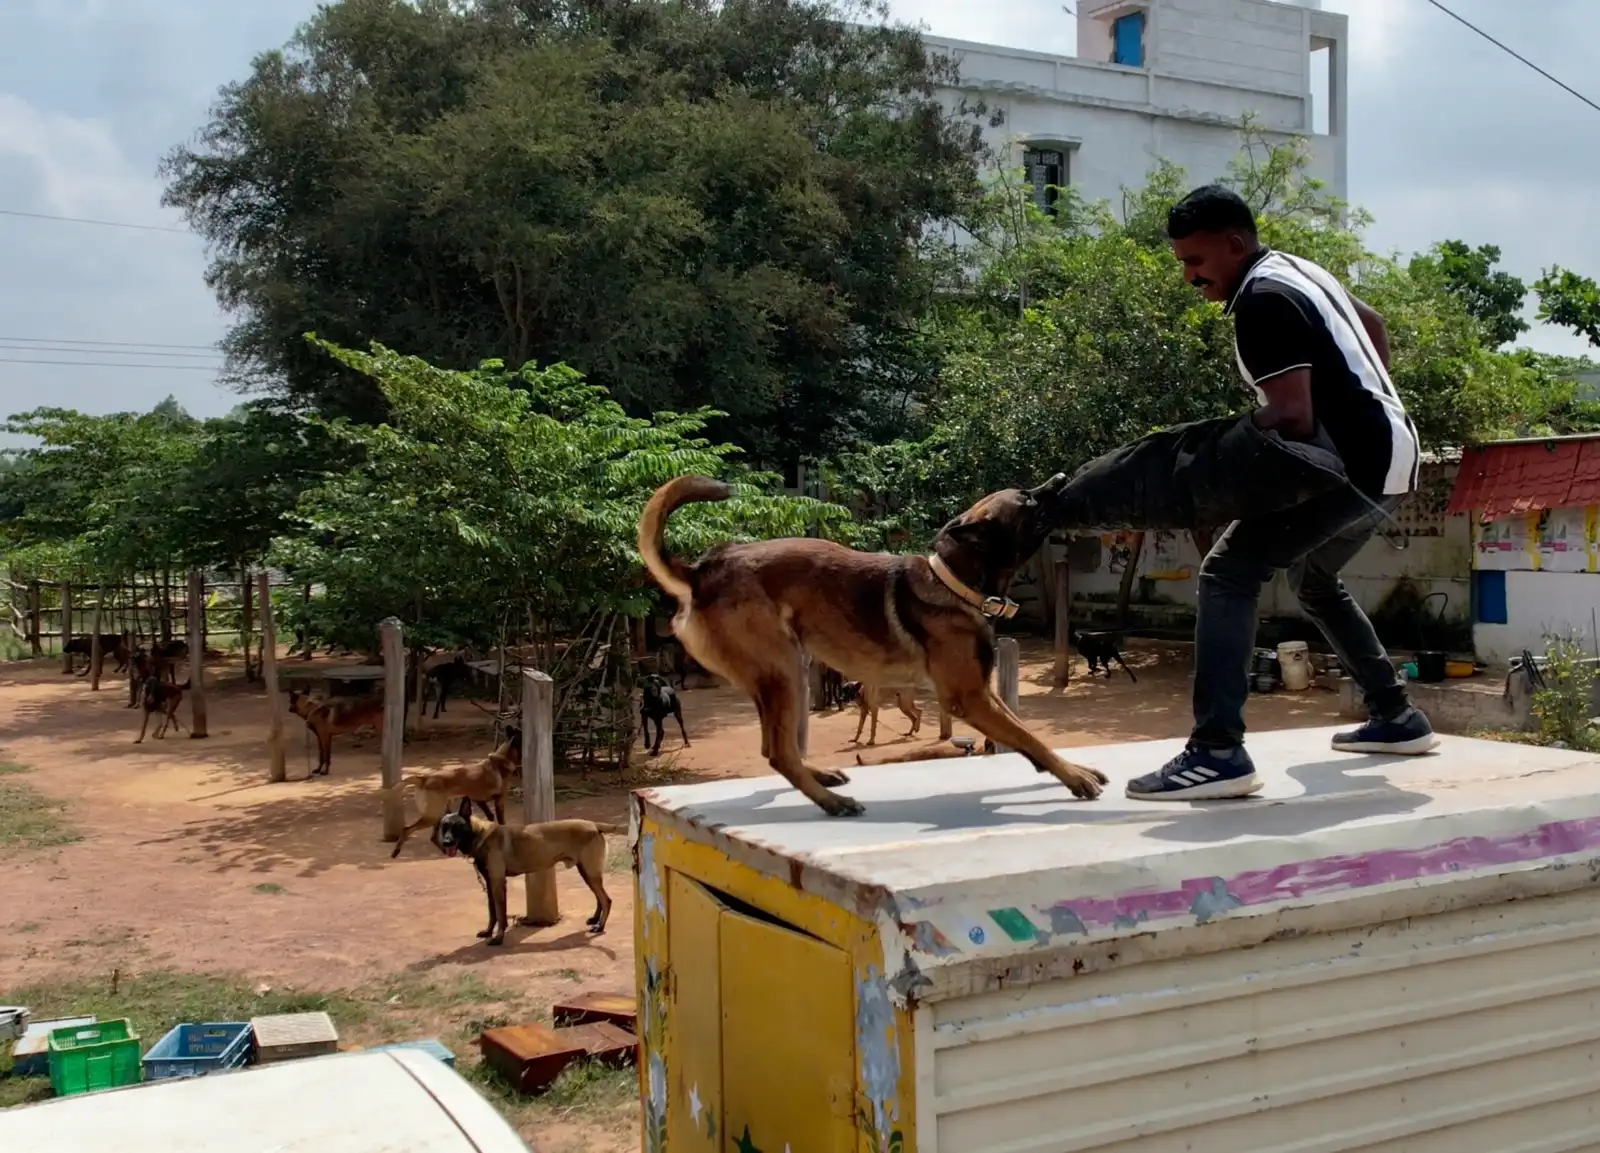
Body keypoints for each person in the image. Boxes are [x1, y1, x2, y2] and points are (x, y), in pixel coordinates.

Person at [1125, 184, 1438, 802]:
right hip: (1397, 457)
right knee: (1314, 581)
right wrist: (1365, 403)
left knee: (1227, 574)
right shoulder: (1297, 270)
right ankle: (1396, 715)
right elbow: (1371, 325)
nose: (1190, 276)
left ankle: (1217, 752)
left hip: (1350, 469)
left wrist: (1211, 456)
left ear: (1234, 244)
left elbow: (1291, 416)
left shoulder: (1260, 303)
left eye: (1196, 262)